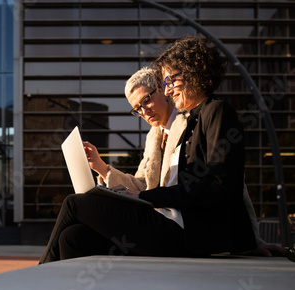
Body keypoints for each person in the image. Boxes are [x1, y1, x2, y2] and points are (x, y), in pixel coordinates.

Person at [38, 34, 257, 264]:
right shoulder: (186, 123)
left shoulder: (214, 112)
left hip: (185, 232)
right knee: (72, 237)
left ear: (192, 72)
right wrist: (108, 173)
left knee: (75, 203)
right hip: (166, 221)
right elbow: (151, 182)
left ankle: (38, 278)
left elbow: (224, 184)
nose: (168, 90)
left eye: (170, 82)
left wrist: (251, 241)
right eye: (136, 109)